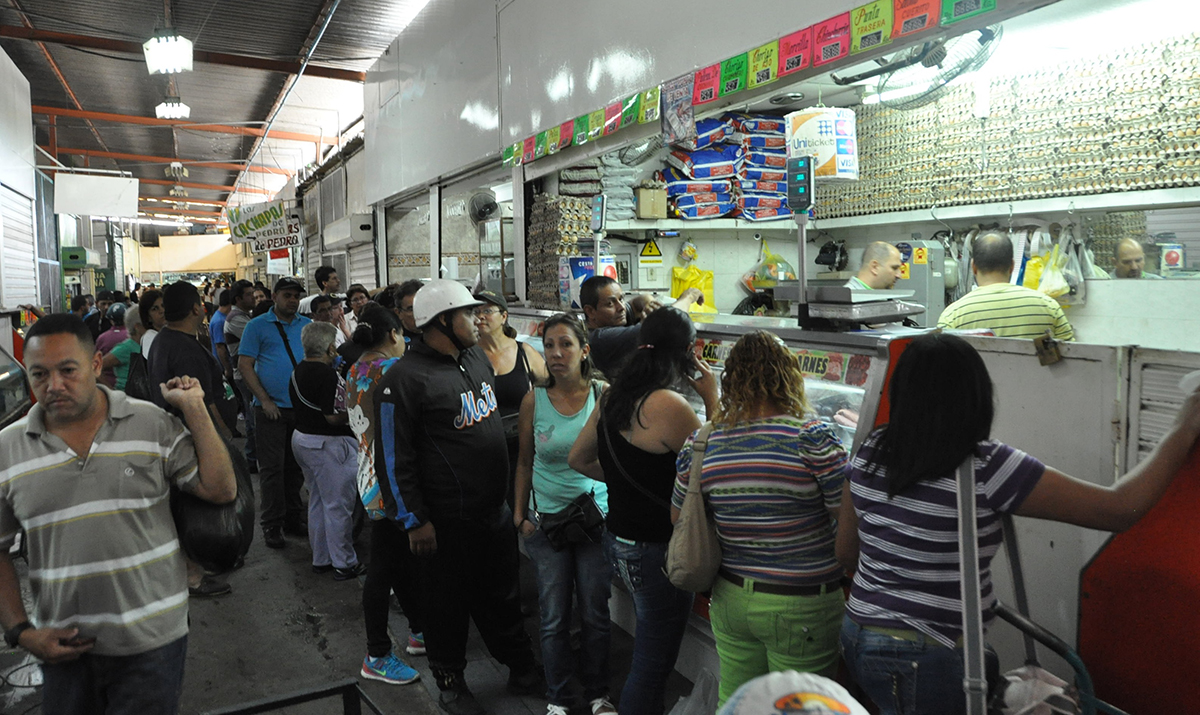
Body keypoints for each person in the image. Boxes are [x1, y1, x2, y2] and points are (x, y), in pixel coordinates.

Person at [835, 333, 1200, 715]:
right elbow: (1118, 509)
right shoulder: (987, 466)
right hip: (925, 653)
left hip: (858, 635)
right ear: (975, 394)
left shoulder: (869, 452)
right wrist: (1183, 428)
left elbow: (846, 552)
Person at [0, 313, 236, 715]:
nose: (53, 386)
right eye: (39, 374)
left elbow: (219, 488)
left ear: (95, 365)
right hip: (62, 647)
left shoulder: (150, 423)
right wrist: (21, 632)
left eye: (67, 370)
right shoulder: (7, 449)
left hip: (153, 643)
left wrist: (193, 408)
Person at [375, 279, 542, 715]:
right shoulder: (403, 380)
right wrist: (415, 520)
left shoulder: (474, 358)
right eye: (468, 314)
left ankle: (521, 665)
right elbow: (393, 460)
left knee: (502, 596)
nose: (477, 319)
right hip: (443, 523)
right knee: (444, 607)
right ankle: (450, 681)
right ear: (443, 321)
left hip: (492, 513)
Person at [670, 331, 848, 707]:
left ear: (731, 380)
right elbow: (847, 520)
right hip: (800, 602)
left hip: (732, 598)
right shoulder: (811, 437)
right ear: (789, 376)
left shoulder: (701, 442)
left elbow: (678, 516)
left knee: (737, 702)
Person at [569, 306, 718, 715]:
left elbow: (578, 459)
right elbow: (717, 467)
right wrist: (713, 400)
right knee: (652, 667)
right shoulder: (671, 406)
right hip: (657, 550)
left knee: (646, 656)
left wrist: (622, 483)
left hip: (617, 539)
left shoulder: (613, 394)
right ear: (689, 351)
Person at [513, 313, 615, 715]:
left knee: (595, 612)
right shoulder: (532, 399)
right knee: (554, 617)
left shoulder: (603, 395)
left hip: (595, 522)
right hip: (546, 524)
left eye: (565, 344)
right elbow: (524, 461)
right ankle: (558, 697)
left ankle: (598, 693)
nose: (556, 353)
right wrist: (520, 516)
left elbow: (618, 457)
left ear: (584, 350)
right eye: (549, 345)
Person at [345, 302, 424, 687]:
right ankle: (376, 654)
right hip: (391, 482)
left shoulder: (355, 369)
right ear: (393, 335)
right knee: (383, 569)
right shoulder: (394, 370)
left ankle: (418, 631)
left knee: (397, 561)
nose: (406, 343)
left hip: (368, 477)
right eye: (403, 337)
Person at [238, 277, 312, 549]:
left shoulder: (307, 326)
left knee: (296, 469)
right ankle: (272, 525)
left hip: (301, 410)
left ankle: (294, 518)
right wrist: (264, 400)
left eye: (296, 296)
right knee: (271, 470)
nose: (292, 300)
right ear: (274, 296)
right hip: (270, 411)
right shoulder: (257, 326)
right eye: (287, 295)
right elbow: (245, 365)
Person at [289, 322, 365, 581]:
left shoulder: (297, 370)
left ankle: (321, 557)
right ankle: (344, 563)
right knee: (338, 506)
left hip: (302, 440)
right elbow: (332, 417)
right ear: (331, 347)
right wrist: (355, 415)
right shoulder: (327, 375)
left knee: (318, 501)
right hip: (328, 445)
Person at [474, 289, 548, 499]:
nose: (480, 316)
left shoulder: (524, 352)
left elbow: (551, 392)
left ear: (504, 316)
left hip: (521, 448)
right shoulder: (467, 356)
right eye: (475, 311)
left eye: (487, 310)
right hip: (483, 452)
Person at [937, 232, 1075, 340]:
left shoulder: (952, 315)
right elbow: (1071, 357)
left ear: (973, 267)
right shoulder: (1049, 306)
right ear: (1012, 266)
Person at [579, 275, 703, 378]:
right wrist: (689, 297)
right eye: (610, 303)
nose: (621, 307)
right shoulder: (600, 339)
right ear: (590, 311)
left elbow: (637, 301)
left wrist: (649, 304)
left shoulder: (610, 318)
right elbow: (669, 321)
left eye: (621, 299)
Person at [224, 280, 259, 472]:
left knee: (252, 417)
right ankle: (251, 460)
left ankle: (252, 459)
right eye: (249, 294)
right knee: (253, 419)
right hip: (244, 374)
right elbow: (258, 336)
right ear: (238, 298)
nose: (253, 297)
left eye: (254, 293)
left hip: (247, 373)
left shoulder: (245, 316)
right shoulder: (237, 319)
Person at [102, 306, 146, 391]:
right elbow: (95, 368)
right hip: (127, 397)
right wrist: (111, 391)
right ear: (137, 327)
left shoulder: (147, 345)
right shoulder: (125, 348)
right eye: (148, 324)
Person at [96, 304, 129, 388]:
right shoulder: (131, 337)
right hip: (127, 384)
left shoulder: (102, 338)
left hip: (106, 384)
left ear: (110, 320)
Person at [211, 287, 234, 379]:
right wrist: (227, 368)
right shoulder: (220, 321)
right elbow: (220, 347)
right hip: (223, 365)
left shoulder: (219, 316)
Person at [139, 289, 167, 356]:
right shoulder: (150, 338)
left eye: (163, 306)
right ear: (148, 317)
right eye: (154, 309)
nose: (162, 311)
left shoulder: (167, 334)